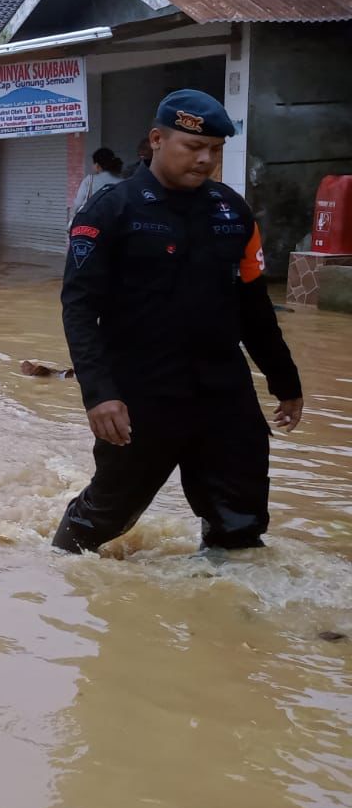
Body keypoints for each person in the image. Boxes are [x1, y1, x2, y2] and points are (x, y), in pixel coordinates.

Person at [51, 89, 304, 555]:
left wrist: (285, 381)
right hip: (142, 392)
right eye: (193, 147)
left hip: (223, 391)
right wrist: (100, 394)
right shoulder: (111, 211)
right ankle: (55, 583)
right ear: (157, 140)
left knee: (240, 520)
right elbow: (80, 308)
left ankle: (225, 612)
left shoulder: (232, 213)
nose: (206, 159)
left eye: (215, 149)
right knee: (106, 517)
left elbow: (254, 307)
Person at [71, 146, 124, 215]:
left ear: (97, 165)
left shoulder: (89, 180)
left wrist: (73, 217)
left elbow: (78, 204)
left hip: (93, 222)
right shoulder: (123, 182)